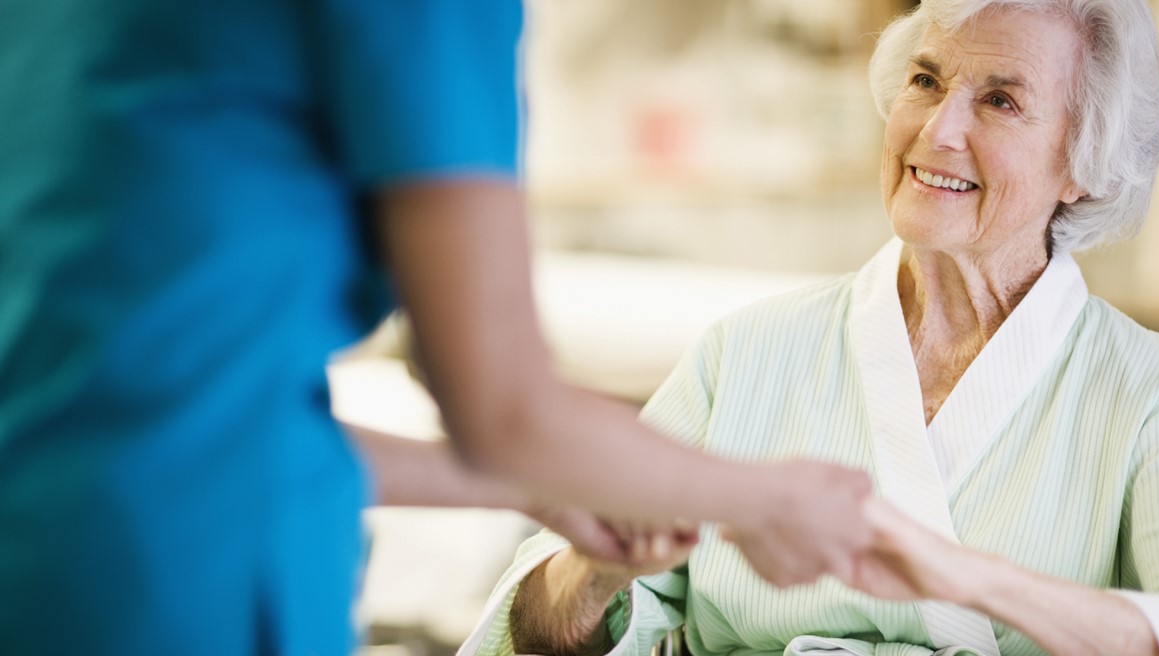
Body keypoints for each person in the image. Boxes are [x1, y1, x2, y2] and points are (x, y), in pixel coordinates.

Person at [0, 1, 876, 654]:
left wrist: (532, 491)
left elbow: (178, 422)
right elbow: (507, 411)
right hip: (180, 590)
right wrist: (772, 500)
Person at [460, 0, 1159, 654]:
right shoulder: (746, 352)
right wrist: (598, 571)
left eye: (999, 100)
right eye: (926, 81)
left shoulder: (1157, 395)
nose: (938, 130)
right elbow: (540, 634)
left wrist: (962, 576)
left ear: (1084, 165)